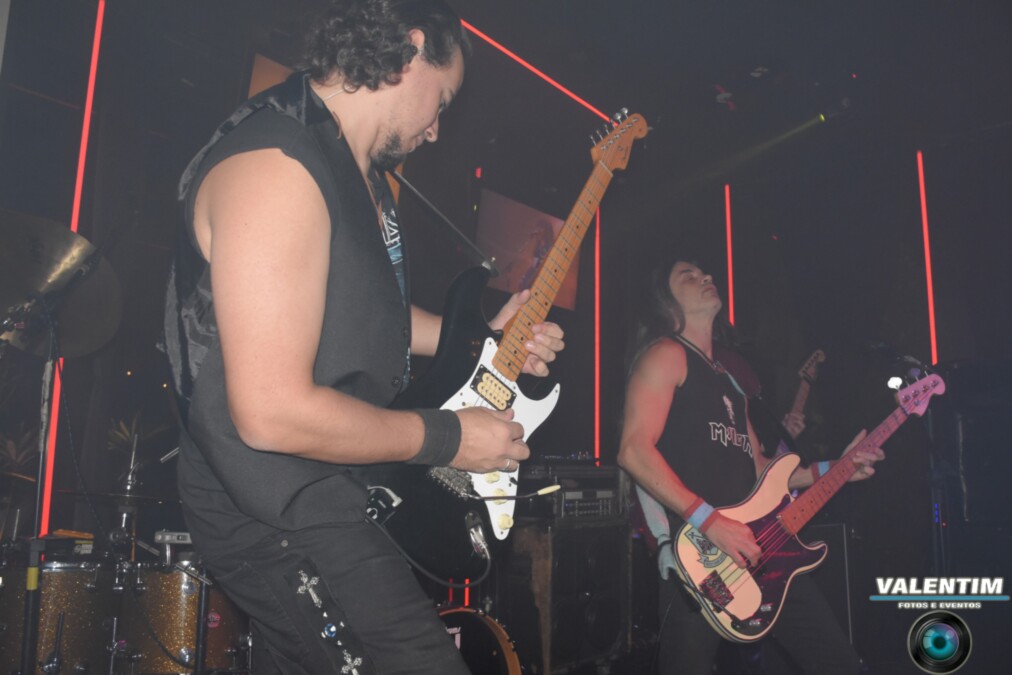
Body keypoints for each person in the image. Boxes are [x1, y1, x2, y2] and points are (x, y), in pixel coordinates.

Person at [161, 2, 564, 673]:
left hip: (324, 488)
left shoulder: (353, 172)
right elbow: (270, 412)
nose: (436, 129)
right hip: (272, 504)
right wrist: (450, 437)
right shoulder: (279, 166)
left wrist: (483, 337)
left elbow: (361, 318)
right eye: (443, 100)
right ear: (411, 49)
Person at [617, 258, 882, 675]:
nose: (706, 276)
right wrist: (709, 521)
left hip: (761, 550)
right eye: (688, 275)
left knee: (840, 663)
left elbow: (765, 471)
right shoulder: (666, 354)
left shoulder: (732, 382)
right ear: (665, 301)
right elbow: (633, 451)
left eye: (704, 272)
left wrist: (839, 467)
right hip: (698, 561)